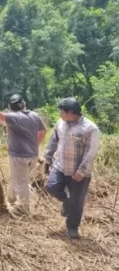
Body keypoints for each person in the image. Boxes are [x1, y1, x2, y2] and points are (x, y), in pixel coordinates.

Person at [0, 94, 46, 214]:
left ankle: (24, 209)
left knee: (21, 183)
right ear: (24, 104)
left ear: (11, 107)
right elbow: (42, 133)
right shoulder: (34, 115)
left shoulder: (13, 116)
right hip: (33, 155)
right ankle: (10, 200)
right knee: (17, 177)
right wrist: (34, 145)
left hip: (19, 156)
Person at [44, 98, 100, 239]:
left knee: (77, 200)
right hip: (60, 166)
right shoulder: (60, 123)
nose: (60, 114)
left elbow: (91, 151)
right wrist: (47, 158)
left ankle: (72, 227)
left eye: (62, 111)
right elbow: (53, 140)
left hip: (79, 171)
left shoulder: (90, 128)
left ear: (70, 112)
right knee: (51, 187)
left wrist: (81, 171)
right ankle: (66, 201)